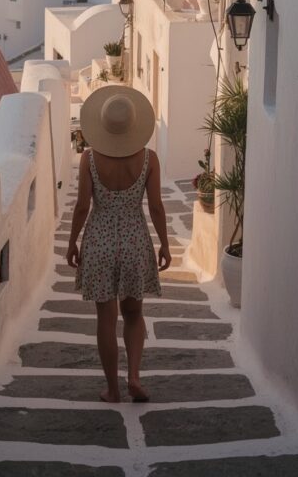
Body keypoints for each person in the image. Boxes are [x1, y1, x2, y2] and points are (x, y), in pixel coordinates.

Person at [66, 86, 172, 403]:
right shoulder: (149, 159)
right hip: (134, 240)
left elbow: (83, 206)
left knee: (106, 318)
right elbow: (155, 206)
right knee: (134, 313)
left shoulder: (89, 159)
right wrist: (165, 244)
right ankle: (135, 377)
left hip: (99, 239)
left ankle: (112, 389)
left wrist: (73, 242)